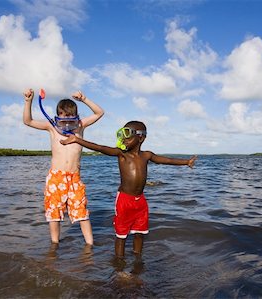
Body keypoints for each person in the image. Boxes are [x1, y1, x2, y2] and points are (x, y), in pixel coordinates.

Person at [60, 121, 197, 258]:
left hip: (140, 202)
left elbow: (165, 160)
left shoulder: (146, 155)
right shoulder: (121, 154)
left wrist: (186, 162)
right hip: (124, 200)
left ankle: (138, 261)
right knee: (121, 235)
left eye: (128, 135)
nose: (124, 139)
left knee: (140, 233)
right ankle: (119, 264)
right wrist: (77, 140)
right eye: (122, 135)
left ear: (141, 138)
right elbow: (100, 148)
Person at [23, 88, 104, 245]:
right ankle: (55, 244)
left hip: (75, 179)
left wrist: (84, 99)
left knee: (82, 213)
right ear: (57, 115)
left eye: (70, 117)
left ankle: (90, 245)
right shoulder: (52, 127)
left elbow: (99, 113)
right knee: (54, 214)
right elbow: (28, 121)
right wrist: (28, 101)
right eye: (63, 116)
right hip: (56, 178)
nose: (66, 121)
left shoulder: (80, 126)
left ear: (76, 116)